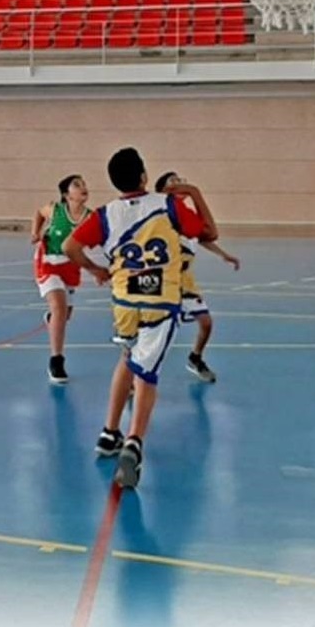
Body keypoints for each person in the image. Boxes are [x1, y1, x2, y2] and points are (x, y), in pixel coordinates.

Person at [66, 148, 217, 488]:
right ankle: (134, 443)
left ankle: (110, 432)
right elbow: (209, 232)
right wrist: (194, 193)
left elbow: (70, 247)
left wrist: (95, 270)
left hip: (124, 303)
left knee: (128, 358)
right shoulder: (168, 205)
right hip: (158, 302)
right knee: (147, 374)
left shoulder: (106, 214)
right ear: (144, 176)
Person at [155, 171, 241, 383]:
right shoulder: (161, 213)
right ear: (163, 190)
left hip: (184, 280)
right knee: (155, 333)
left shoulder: (186, 214)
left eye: (180, 180)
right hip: (164, 280)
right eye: (173, 181)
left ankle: (195, 358)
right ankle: (134, 375)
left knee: (206, 322)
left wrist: (223, 254)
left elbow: (202, 237)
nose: (179, 184)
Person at [30, 174, 91, 384]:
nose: (83, 187)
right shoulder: (55, 210)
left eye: (84, 184)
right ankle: (56, 360)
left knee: (65, 314)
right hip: (48, 262)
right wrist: (35, 233)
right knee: (59, 306)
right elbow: (39, 213)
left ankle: (53, 319)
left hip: (70, 266)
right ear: (67, 194)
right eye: (77, 185)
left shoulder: (90, 217)